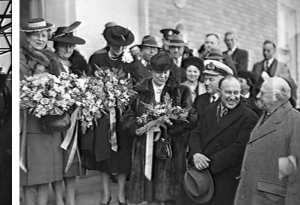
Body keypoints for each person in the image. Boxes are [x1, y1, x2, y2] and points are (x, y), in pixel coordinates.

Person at [122, 51, 197, 205]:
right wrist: (142, 126)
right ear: (151, 71)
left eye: (166, 72)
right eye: (158, 73)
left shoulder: (181, 91)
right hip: (144, 145)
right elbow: (126, 117)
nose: (162, 76)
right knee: (147, 190)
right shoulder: (139, 90)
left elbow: (191, 117)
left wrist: (170, 125)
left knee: (167, 191)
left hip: (170, 146)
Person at [177, 76, 259, 205]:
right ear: (219, 92)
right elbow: (196, 134)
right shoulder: (208, 110)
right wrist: (196, 154)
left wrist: (208, 164)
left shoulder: (249, 117)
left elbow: (239, 149)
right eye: (228, 92)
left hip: (224, 177)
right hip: (199, 176)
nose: (233, 97)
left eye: (236, 93)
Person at [84, 23, 135, 205]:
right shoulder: (97, 58)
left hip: (124, 115)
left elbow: (139, 82)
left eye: (122, 45)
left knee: (123, 154)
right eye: (115, 45)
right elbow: (89, 83)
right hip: (104, 114)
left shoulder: (130, 60)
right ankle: (106, 194)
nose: (119, 49)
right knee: (104, 154)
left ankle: (120, 193)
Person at [20, 18, 65, 205]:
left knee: (48, 172)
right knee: (32, 172)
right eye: (36, 35)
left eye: (44, 35)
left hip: (51, 121)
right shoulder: (21, 58)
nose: (41, 38)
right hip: (30, 121)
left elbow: (64, 83)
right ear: (28, 37)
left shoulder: (53, 58)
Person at [234, 77, 300, 205]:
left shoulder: (295, 121)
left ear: (276, 97)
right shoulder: (266, 116)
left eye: (263, 93)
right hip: (252, 195)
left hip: (270, 199)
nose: (258, 96)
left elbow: (294, 172)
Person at [50, 23, 89, 205]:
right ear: (56, 45)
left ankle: (71, 198)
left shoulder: (79, 66)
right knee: (56, 158)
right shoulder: (50, 63)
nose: (67, 49)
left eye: (70, 45)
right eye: (63, 45)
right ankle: (59, 199)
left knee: (72, 158)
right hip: (55, 116)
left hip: (74, 118)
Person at [251, 40, 297, 104]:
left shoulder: (282, 66)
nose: (265, 53)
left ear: (274, 51)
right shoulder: (257, 66)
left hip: (276, 101)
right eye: (264, 50)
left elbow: (289, 84)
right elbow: (252, 83)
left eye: (268, 50)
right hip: (260, 101)